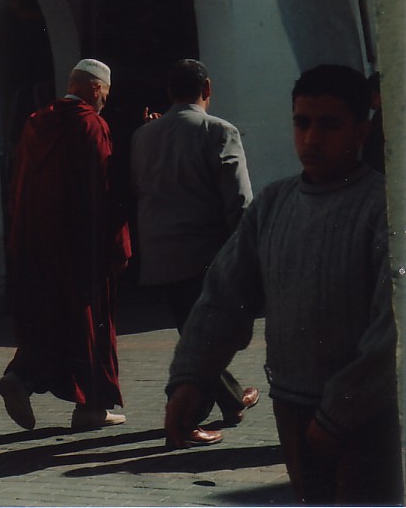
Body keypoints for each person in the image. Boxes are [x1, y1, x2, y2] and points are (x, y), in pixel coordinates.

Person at [165, 64, 402, 505]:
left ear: (361, 131)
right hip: (292, 410)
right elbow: (223, 298)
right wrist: (191, 377)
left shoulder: (383, 210)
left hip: (369, 420)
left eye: (329, 124)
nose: (312, 139)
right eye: (302, 122)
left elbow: (391, 331)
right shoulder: (272, 206)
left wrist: (340, 412)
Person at [0, 58, 131, 432]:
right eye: (104, 93)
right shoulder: (90, 124)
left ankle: (21, 377)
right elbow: (102, 189)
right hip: (81, 246)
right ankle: (91, 407)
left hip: (35, 242)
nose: (104, 100)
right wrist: (118, 243)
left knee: (49, 321)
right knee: (90, 323)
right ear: (93, 88)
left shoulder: (36, 122)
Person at [130, 59, 259, 447]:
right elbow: (238, 199)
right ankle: (183, 421)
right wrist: (248, 253)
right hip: (206, 252)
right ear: (208, 88)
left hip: (160, 251)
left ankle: (232, 399)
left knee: (195, 333)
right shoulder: (219, 130)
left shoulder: (143, 135)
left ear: (170, 92)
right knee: (204, 338)